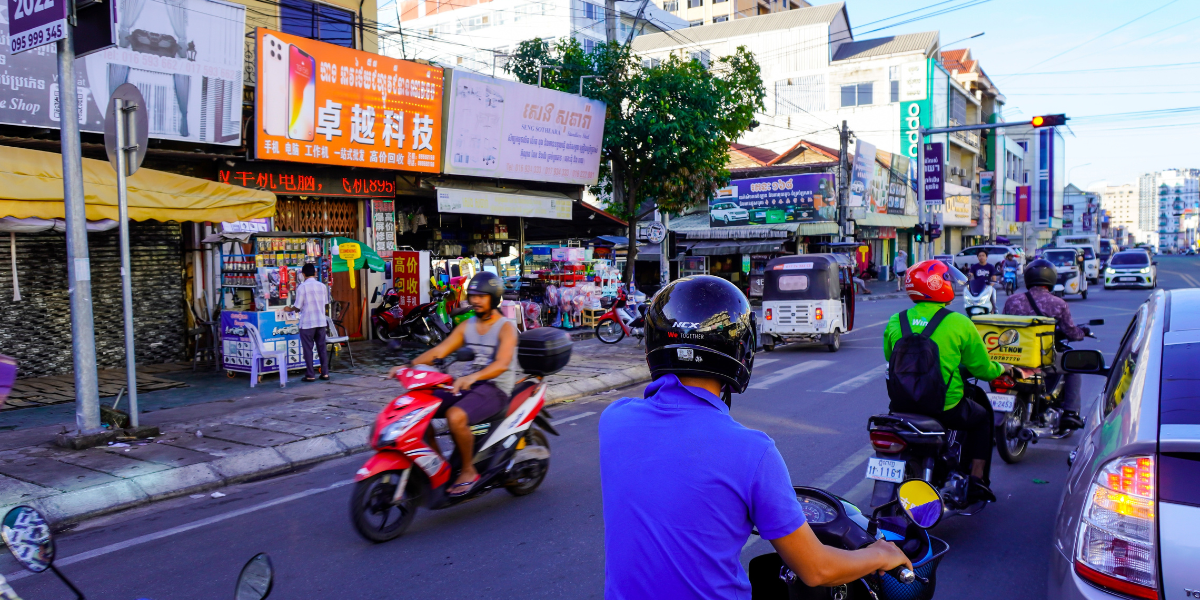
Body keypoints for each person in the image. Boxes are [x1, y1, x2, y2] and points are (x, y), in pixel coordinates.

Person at [600, 275, 911, 600]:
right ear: (740, 350)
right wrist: (880, 554)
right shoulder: (752, 452)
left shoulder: (614, 421)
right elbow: (817, 570)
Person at [884, 260, 1012, 503]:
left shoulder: (896, 320)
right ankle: (976, 481)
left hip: (901, 406)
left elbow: (890, 357)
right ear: (938, 285)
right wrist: (1001, 368)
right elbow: (983, 370)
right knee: (982, 418)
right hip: (945, 407)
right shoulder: (960, 322)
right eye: (948, 281)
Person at [389, 271, 518, 496]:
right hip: (469, 386)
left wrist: (472, 377)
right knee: (418, 409)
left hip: (495, 388)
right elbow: (440, 350)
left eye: (482, 296)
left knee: (455, 416)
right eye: (473, 296)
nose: (475, 301)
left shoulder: (505, 327)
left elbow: (502, 364)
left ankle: (468, 470)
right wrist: (408, 365)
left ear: (494, 299)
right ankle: (438, 468)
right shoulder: (468, 325)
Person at [1002, 259, 1089, 431]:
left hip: (1013, 356)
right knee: (1073, 368)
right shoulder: (1058, 303)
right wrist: (1083, 333)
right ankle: (1070, 412)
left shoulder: (1012, 301)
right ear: (1051, 278)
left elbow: (1004, 327)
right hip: (1043, 359)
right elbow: (1072, 332)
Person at [284, 264, 330, 382]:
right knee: (322, 348)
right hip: (321, 322)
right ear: (315, 273)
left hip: (307, 323)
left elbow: (298, 307)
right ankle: (325, 373)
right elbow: (325, 303)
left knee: (308, 350)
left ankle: (310, 374)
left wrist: (289, 309)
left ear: (303, 274)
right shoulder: (322, 286)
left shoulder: (302, 287)